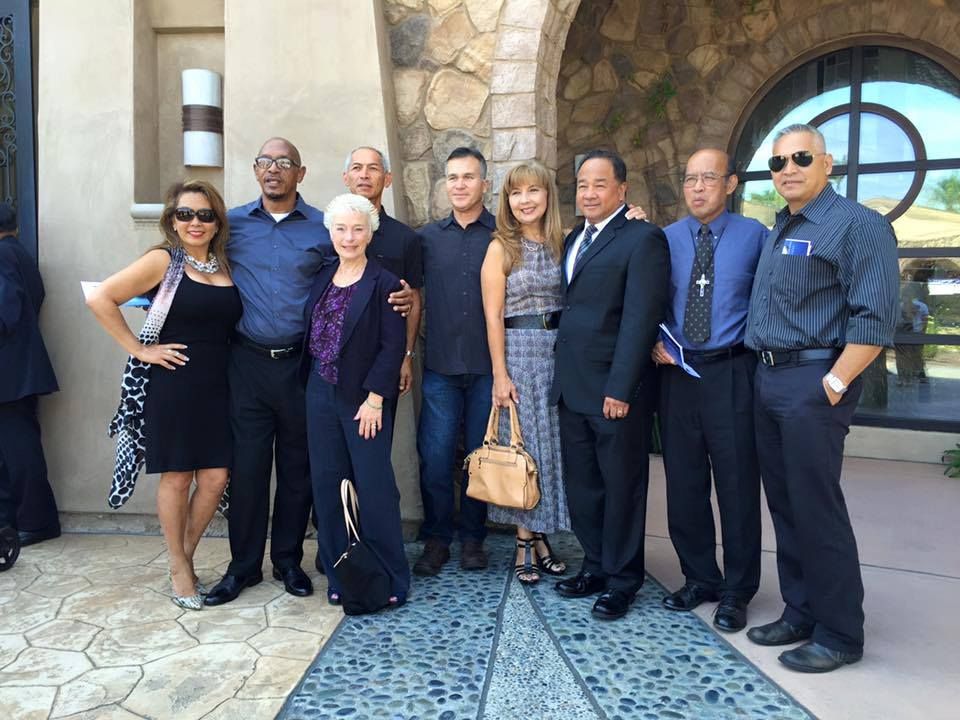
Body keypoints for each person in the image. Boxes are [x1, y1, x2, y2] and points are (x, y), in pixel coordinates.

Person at [745, 123, 899, 672]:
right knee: (786, 506)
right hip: (768, 381)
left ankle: (840, 633)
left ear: (827, 164)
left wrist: (832, 384)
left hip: (813, 383)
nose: (788, 168)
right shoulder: (780, 227)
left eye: (801, 158)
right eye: (778, 161)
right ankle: (801, 609)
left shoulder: (858, 225)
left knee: (817, 507)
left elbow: (875, 319)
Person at [87, 181, 240, 609]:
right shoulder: (163, 261)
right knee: (177, 476)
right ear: (171, 220)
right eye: (185, 214)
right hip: (173, 384)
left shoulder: (224, 264)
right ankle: (179, 567)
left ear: (217, 221)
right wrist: (138, 348)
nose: (195, 222)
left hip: (219, 385)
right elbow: (101, 298)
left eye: (204, 214)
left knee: (215, 477)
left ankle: (184, 556)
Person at [205, 137, 331, 606]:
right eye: (264, 162)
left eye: (283, 163)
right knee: (249, 469)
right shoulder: (230, 224)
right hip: (248, 363)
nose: (273, 169)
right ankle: (243, 568)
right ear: (255, 171)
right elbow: (191, 262)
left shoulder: (323, 227)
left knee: (297, 469)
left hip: (301, 365)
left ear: (300, 173)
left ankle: (287, 561)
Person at [551, 149, 670, 620]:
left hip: (613, 392)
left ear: (622, 189)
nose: (589, 192)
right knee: (584, 487)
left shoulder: (643, 239)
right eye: (582, 184)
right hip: (572, 387)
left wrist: (621, 388)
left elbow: (641, 319)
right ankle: (596, 565)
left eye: (599, 184)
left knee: (621, 487)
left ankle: (623, 581)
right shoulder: (573, 238)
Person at [653, 149, 766, 632]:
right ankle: (700, 577)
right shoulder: (664, 239)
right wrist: (654, 340)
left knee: (737, 485)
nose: (698, 187)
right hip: (677, 374)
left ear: (731, 183)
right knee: (684, 483)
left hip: (731, 372)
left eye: (709, 178)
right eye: (690, 179)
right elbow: (646, 299)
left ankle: (738, 590)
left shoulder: (756, 237)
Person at [302, 193, 409, 608]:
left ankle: (391, 577)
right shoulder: (322, 276)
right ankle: (339, 570)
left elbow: (391, 345)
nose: (349, 237)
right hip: (319, 393)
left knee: (374, 485)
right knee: (328, 486)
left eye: (358, 229)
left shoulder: (385, 282)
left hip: (363, 401)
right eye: (342, 229)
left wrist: (376, 399)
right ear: (331, 232)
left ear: (371, 232)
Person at [480, 161, 570, 585]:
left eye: (533, 190)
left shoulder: (563, 243)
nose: (525, 200)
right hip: (518, 355)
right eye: (516, 193)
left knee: (551, 451)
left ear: (547, 195)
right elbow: (493, 317)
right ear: (507, 201)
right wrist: (500, 374)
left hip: (559, 355)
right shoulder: (501, 247)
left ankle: (542, 536)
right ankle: (523, 540)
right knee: (524, 450)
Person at [414, 147, 494, 576]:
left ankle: (474, 540)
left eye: (468, 177)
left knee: (480, 459)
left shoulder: (503, 234)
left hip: (488, 369)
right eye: (453, 177)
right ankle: (437, 539)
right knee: (436, 456)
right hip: (441, 367)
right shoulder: (426, 239)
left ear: (485, 183)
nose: (459, 185)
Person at [0, 203, 60, 571]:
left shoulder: (3, 256)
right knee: (15, 449)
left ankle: (36, 522)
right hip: (18, 370)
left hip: (10, 372)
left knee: (18, 452)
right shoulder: (18, 253)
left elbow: (5, 314)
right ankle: (17, 521)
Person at [341, 146, 423, 400]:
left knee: (376, 434)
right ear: (346, 178)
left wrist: (407, 356)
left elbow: (415, 301)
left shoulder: (405, 238)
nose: (364, 175)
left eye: (373, 168)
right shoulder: (331, 233)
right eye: (357, 168)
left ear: (387, 179)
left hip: (384, 360)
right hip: (337, 359)